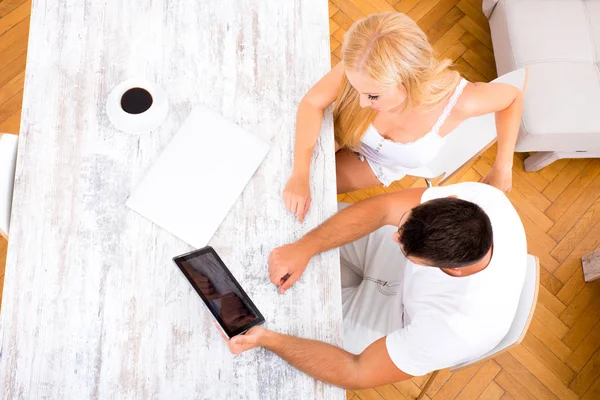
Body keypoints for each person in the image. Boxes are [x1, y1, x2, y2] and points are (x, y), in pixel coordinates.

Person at [215, 182, 526, 389]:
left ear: (451, 271)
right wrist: (304, 247)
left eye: (405, 247)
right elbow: (384, 210)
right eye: (404, 225)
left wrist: (270, 340)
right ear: (450, 200)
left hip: (403, 320)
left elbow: (356, 371)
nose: (395, 236)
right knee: (307, 222)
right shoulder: (483, 201)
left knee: (291, 324)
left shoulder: (453, 331)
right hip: (412, 278)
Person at [283, 12, 527, 223]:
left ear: (408, 82)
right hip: (341, 129)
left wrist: (503, 166)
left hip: (378, 163)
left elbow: (513, 97)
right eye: (358, 90)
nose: (361, 102)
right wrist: (299, 174)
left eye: (373, 96)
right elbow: (313, 102)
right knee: (285, 175)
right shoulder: (364, 62)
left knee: (311, 195)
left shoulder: (460, 101)